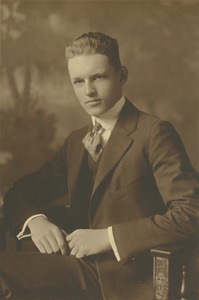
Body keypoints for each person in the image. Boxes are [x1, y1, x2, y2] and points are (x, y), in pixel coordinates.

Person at [1, 32, 199, 300]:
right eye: (78, 81)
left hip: (127, 279)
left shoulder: (153, 133)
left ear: (122, 76)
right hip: (76, 268)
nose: (88, 91)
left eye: (99, 77)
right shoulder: (76, 142)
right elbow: (21, 192)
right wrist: (36, 221)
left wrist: (109, 237)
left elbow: (191, 214)